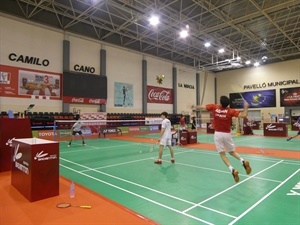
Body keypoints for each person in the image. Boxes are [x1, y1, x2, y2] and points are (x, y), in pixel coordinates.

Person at [192, 96, 251, 182]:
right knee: (232, 152)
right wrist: (246, 106)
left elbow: (202, 107)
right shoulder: (230, 111)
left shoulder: (214, 107)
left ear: (220, 102)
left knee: (222, 154)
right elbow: (244, 115)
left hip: (218, 134)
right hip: (227, 134)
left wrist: (194, 106)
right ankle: (243, 161)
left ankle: (232, 170)